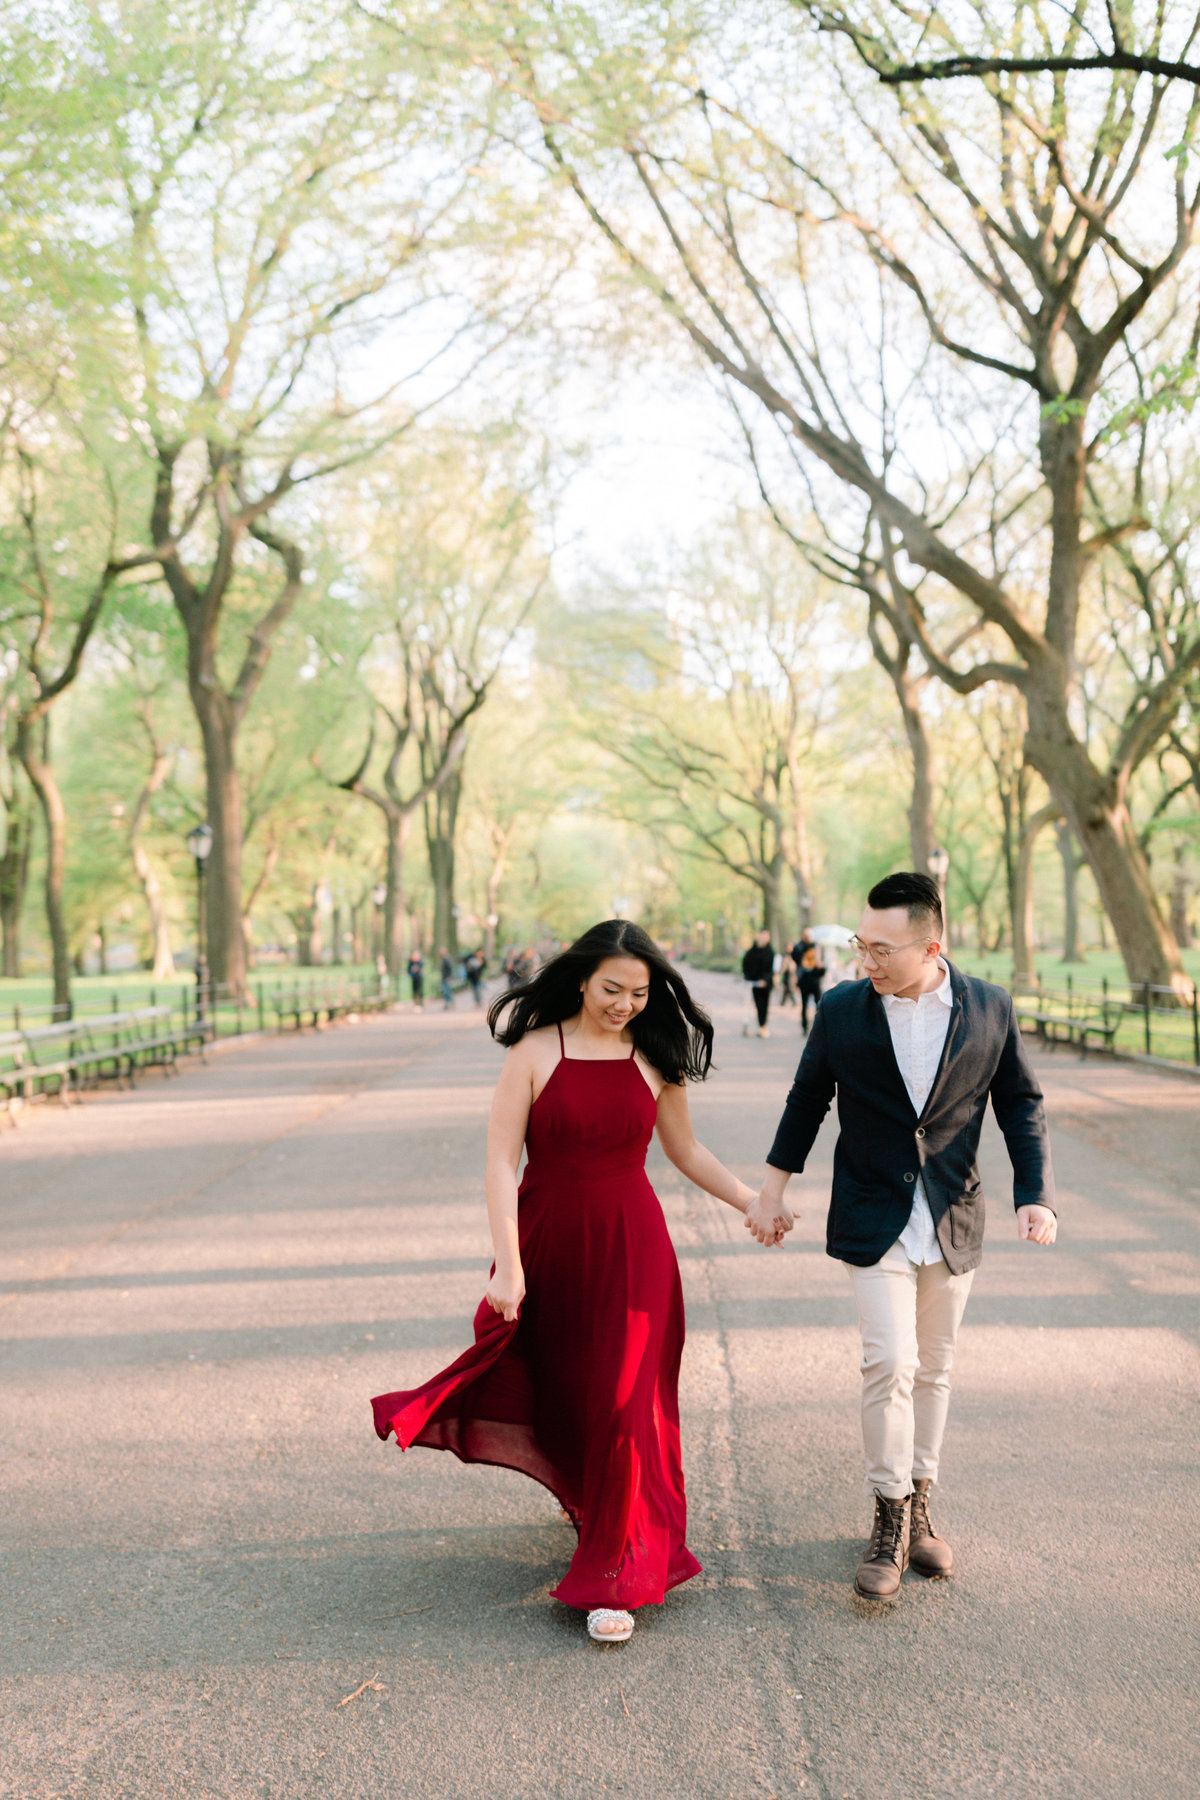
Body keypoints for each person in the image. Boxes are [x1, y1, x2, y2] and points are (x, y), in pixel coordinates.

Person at [371, 919, 757, 1645]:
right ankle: (594, 1504)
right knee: (566, 1384)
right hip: (547, 1242)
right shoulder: (532, 1052)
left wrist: (750, 1203)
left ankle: (618, 1573)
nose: (626, 1004)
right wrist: (509, 1265)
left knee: (625, 1401)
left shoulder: (656, 1054)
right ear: (580, 978)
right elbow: (498, 1163)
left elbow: (686, 1149)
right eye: (613, 988)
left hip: (632, 1247)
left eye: (640, 993)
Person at [745, 871, 1056, 1602]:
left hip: (953, 1214)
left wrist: (1035, 1195)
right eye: (861, 943)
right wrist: (771, 1189)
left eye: (882, 948)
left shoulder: (989, 1008)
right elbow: (806, 1100)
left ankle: (921, 1504)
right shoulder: (843, 1009)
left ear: (931, 946)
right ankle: (886, 1516)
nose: (866, 960)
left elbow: (1020, 1103)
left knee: (937, 1368)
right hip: (871, 1211)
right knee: (889, 1362)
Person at [741, 928, 774, 1037]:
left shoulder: (770, 952)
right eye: (762, 935)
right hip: (753, 983)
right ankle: (756, 1025)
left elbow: (771, 969)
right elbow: (745, 965)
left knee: (764, 1005)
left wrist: (765, 980)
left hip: (765, 984)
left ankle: (763, 1026)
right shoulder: (751, 952)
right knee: (757, 1004)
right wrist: (748, 978)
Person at [792, 929, 826, 1034]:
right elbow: (796, 959)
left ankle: (819, 1025)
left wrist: (820, 967)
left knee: (818, 1004)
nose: (808, 937)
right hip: (804, 981)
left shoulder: (817, 947)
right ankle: (804, 1026)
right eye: (806, 935)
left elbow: (822, 965)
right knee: (804, 1005)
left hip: (815, 980)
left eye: (809, 935)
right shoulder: (798, 947)